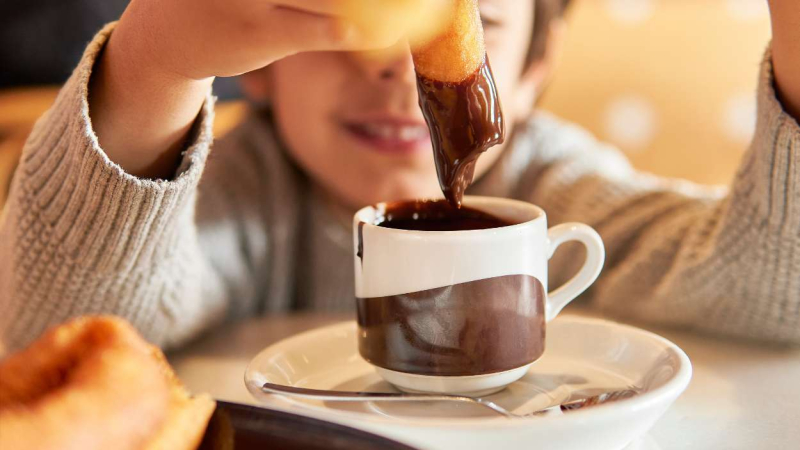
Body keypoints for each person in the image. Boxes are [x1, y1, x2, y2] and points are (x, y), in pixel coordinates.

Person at [1, 0, 798, 351]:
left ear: (532, 70)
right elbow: (56, 332)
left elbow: (765, 289)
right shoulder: (241, 191)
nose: (393, 71)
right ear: (262, 66)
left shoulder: (548, 190)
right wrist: (156, 62)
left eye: (480, 24)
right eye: (344, 24)